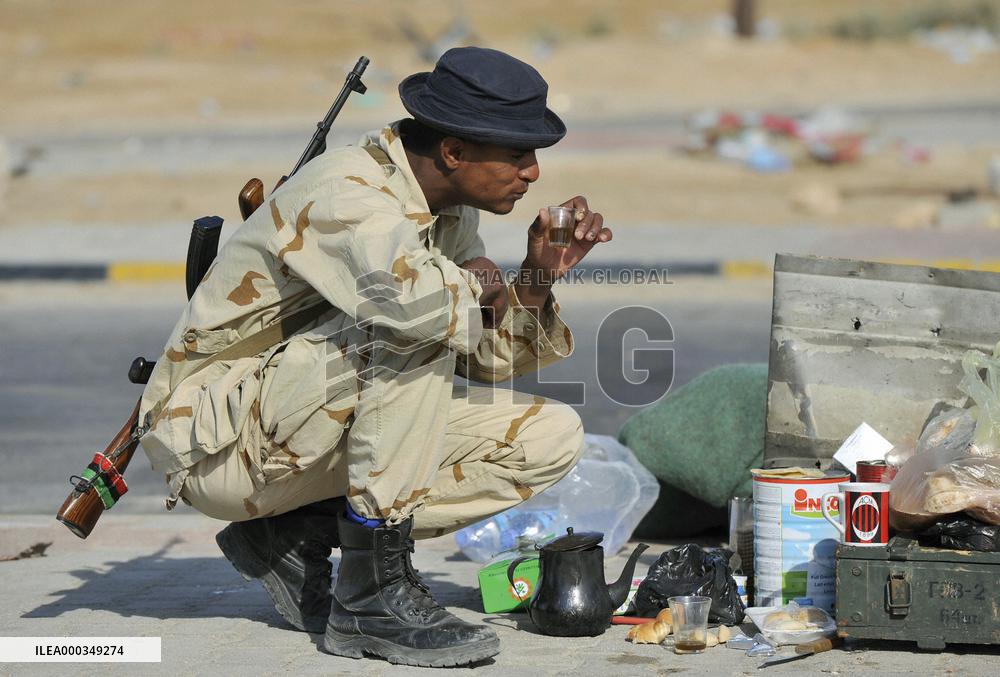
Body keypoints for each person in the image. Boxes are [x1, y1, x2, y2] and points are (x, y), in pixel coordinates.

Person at [137, 46, 612, 667]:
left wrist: (535, 278)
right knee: (417, 323)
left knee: (548, 437)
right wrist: (471, 287)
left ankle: (293, 535)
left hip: (302, 426)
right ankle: (370, 600)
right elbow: (425, 315)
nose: (533, 173)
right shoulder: (348, 195)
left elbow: (484, 360)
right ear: (454, 152)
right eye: (519, 155)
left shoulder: (446, 210)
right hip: (219, 443)